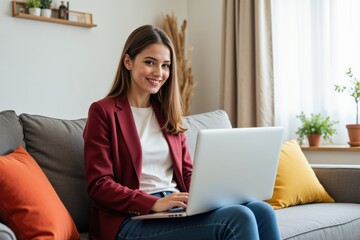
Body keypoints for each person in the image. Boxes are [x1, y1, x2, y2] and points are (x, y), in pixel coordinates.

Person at [83, 24, 281, 240]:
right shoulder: (103, 112)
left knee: (262, 210)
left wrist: (215, 194)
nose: (159, 73)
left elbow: (186, 173)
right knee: (239, 217)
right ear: (128, 62)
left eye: (165, 65)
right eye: (150, 62)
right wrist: (154, 203)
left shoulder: (167, 113)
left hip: (175, 206)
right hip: (130, 221)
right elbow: (99, 185)